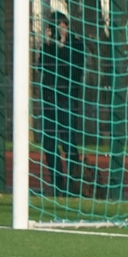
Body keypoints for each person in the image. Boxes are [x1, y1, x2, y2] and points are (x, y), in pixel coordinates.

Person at [39, 11, 85, 196]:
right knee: (49, 144)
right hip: (50, 101)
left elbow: (74, 70)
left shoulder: (76, 43)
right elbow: (41, 65)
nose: (59, 30)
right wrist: (47, 44)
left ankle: (73, 183)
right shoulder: (49, 46)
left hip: (67, 101)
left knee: (68, 143)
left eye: (62, 26)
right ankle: (57, 183)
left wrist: (63, 45)